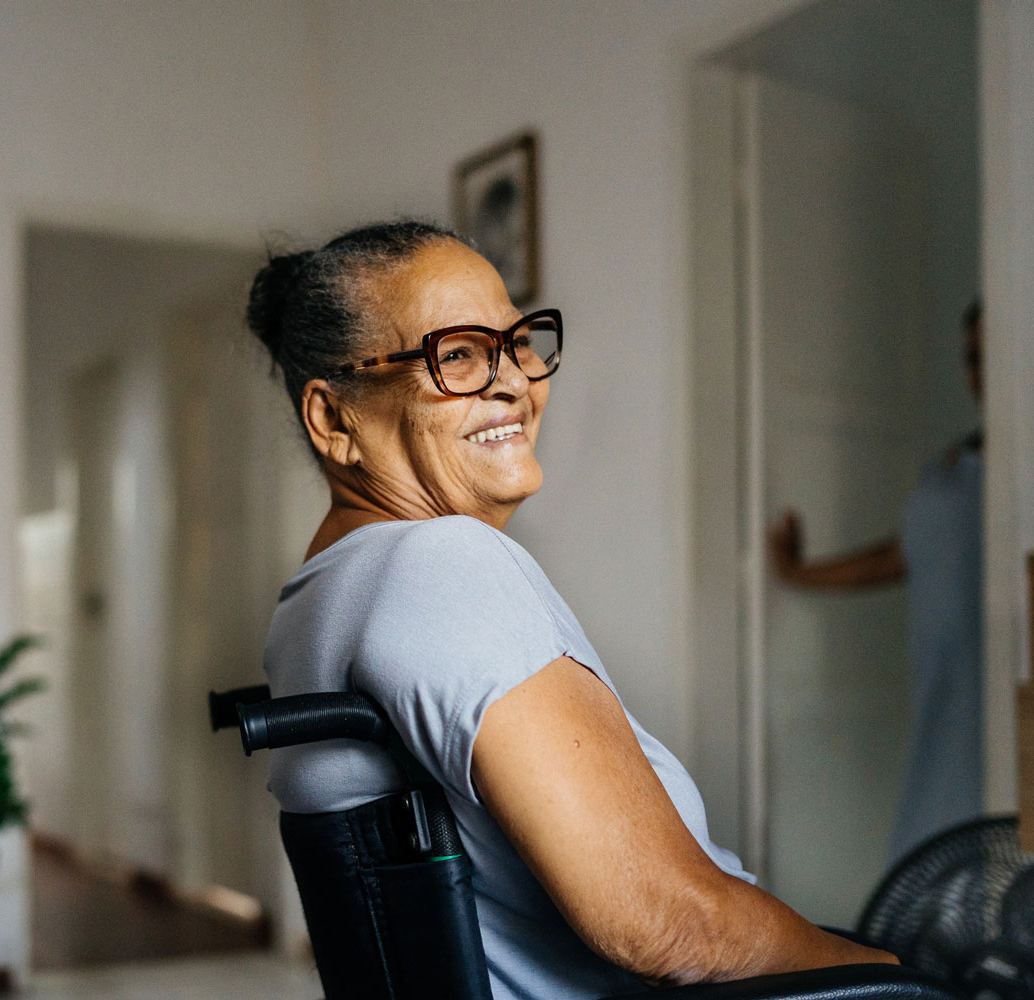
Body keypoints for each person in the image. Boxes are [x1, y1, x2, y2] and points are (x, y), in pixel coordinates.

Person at [247, 220, 895, 999]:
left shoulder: (311, 604)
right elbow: (673, 923)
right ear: (334, 420)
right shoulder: (440, 560)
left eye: (518, 342)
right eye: (456, 354)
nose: (514, 380)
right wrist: (896, 978)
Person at [769, 302, 983, 861]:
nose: (980, 371)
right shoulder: (954, 463)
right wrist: (797, 571)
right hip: (944, 705)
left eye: (992, 352)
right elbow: (901, 555)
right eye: (971, 357)